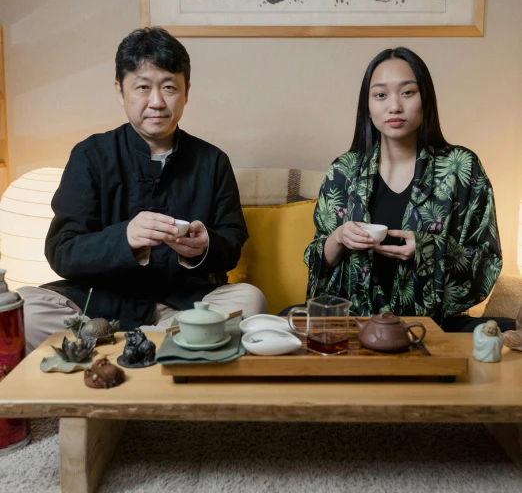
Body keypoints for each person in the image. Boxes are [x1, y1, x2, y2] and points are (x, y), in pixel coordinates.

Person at [20, 27, 266, 351]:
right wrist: (124, 239)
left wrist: (205, 247)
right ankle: (167, 347)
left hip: (183, 303)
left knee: (250, 299)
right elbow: (62, 251)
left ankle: (124, 348)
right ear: (120, 92)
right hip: (101, 305)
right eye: (143, 87)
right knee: (24, 306)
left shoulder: (212, 161)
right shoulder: (90, 155)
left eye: (169, 87)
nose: (157, 102)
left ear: (186, 91)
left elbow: (231, 245)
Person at [304, 47, 507, 332]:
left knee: (504, 331)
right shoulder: (344, 170)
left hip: (434, 324)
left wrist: (427, 250)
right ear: (368, 106)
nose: (394, 106)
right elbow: (318, 260)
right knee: (289, 317)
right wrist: (338, 238)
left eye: (408, 92)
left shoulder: (461, 167)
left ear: (426, 99)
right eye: (381, 95)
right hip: (356, 323)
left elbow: (487, 260)